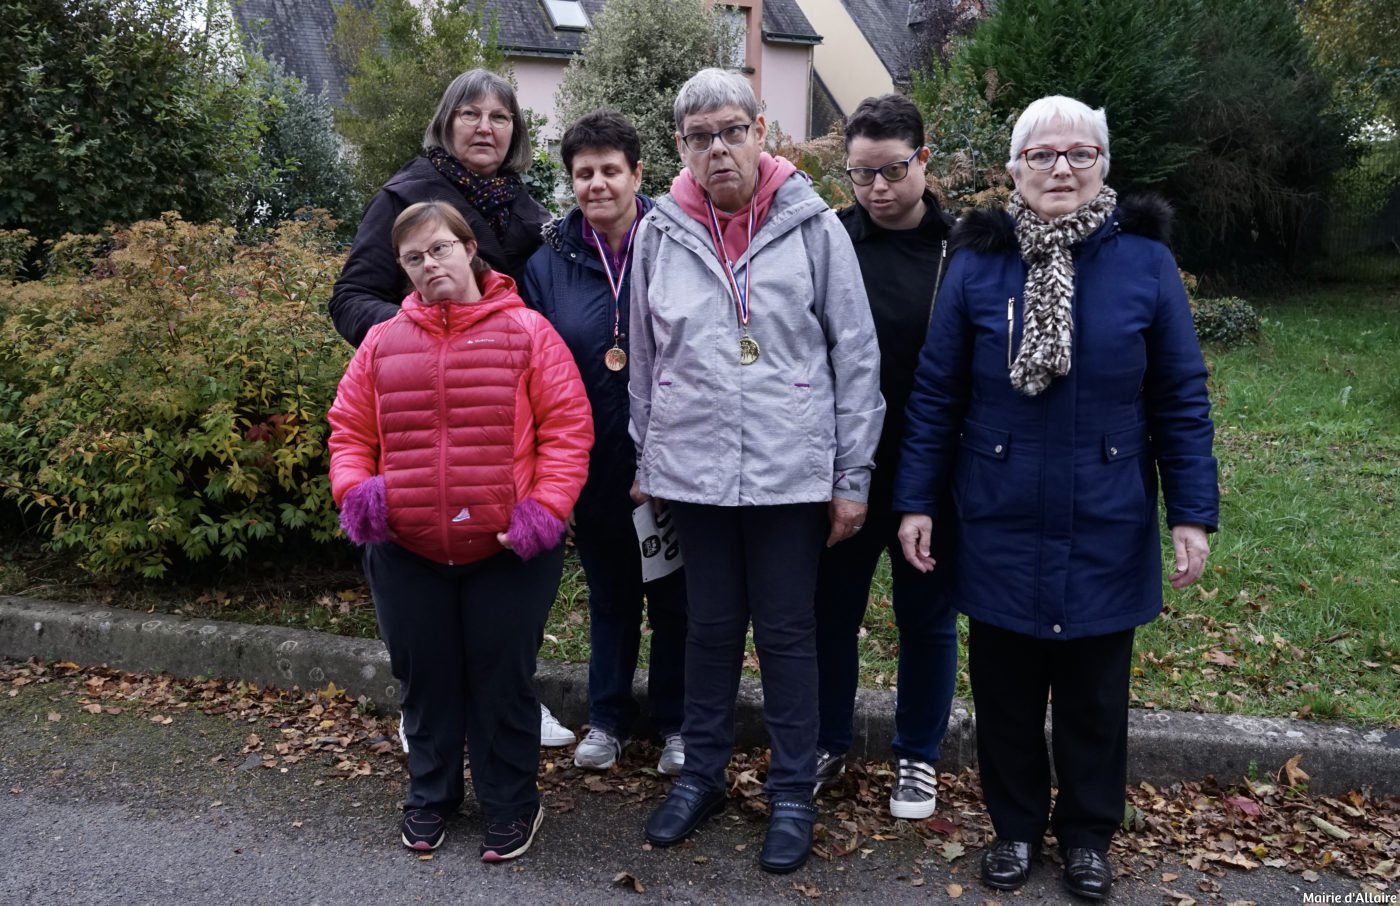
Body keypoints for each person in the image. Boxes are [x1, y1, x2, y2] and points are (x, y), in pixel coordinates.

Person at [894, 95, 1218, 901]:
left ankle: (1086, 836)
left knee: (1093, 698)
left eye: (1079, 154)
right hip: (997, 508)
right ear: (1014, 170)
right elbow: (936, 393)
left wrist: (1191, 512)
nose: (1061, 169)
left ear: (1103, 165)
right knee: (1003, 691)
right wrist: (917, 500)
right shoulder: (977, 262)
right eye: (1042, 156)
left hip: (1106, 513)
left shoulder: (1143, 263)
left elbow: (1180, 395)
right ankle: (1012, 830)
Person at [630, 68, 885, 874]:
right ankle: (701, 775)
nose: (718, 150)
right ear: (681, 146)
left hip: (790, 472)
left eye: (732, 132)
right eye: (700, 137)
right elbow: (642, 356)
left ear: (760, 132)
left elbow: (856, 355)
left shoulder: (815, 227)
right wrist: (648, 455)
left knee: (786, 633)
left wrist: (853, 477)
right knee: (706, 632)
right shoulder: (659, 231)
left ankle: (792, 793)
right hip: (696, 472)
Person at [328, 200, 593, 862]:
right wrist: (360, 494)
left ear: (470, 249)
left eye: (441, 248)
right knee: (426, 677)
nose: (430, 264)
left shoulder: (529, 332)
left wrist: (544, 511)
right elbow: (350, 430)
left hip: (508, 551)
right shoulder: (383, 342)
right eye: (414, 257)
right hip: (408, 548)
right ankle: (432, 795)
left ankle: (510, 804)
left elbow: (567, 430)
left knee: (502, 679)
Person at [329, 68, 574, 749]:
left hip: (500, 435)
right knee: (423, 604)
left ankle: (511, 703)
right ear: (446, 122)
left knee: (508, 595)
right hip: (419, 426)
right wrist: (422, 339)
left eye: (500, 117)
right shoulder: (407, 196)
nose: (486, 127)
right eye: (470, 114)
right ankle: (426, 716)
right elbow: (350, 296)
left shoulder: (522, 209)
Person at [523, 111, 689, 776]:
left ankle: (678, 724)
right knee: (612, 597)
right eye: (583, 173)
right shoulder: (549, 262)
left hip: (671, 462)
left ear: (637, 173)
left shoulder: (678, 242)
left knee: (677, 599)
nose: (597, 184)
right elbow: (531, 365)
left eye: (610, 170)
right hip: (590, 465)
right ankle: (610, 718)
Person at [813, 94, 957, 821]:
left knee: (926, 616)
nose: (875, 189)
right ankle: (826, 740)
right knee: (828, 611)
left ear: (922, 161)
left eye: (891, 171)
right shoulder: (832, 240)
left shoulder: (961, 249)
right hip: (843, 466)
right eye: (860, 174)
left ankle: (918, 757)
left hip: (931, 469)